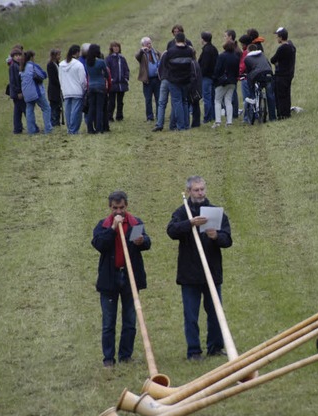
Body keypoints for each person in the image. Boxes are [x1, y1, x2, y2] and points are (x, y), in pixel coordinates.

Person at [166, 176, 233, 361]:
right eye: (196, 190)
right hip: (189, 275)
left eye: (202, 189)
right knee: (191, 316)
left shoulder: (215, 212)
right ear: (189, 191)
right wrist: (190, 224)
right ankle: (194, 351)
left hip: (212, 272)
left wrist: (216, 237)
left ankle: (215, 347)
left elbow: (228, 240)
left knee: (215, 313)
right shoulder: (181, 212)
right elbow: (171, 231)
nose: (200, 193)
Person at [92, 190, 151, 367]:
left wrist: (142, 241)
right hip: (110, 278)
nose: (119, 212)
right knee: (108, 322)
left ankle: (125, 355)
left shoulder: (135, 223)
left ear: (126, 206)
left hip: (130, 276)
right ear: (110, 207)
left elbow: (146, 243)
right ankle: (108, 358)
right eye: (115, 208)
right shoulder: (103, 225)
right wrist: (112, 229)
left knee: (130, 320)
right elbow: (99, 244)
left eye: (122, 208)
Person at [161, 32, 194, 131]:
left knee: (177, 102)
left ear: (175, 40)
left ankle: (181, 126)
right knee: (185, 101)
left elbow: (165, 65)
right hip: (186, 79)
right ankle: (186, 124)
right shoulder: (189, 51)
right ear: (184, 40)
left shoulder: (170, 52)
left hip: (174, 80)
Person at [20, 50, 52, 134]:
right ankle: (48, 129)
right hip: (36, 92)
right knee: (46, 108)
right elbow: (43, 75)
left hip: (26, 93)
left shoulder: (22, 68)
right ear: (31, 57)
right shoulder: (33, 66)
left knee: (29, 110)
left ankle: (31, 130)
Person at [58, 44, 87, 135]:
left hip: (66, 91)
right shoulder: (78, 65)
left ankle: (69, 128)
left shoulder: (61, 65)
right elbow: (82, 79)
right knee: (76, 112)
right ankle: (74, 130)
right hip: (77, 91)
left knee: (68, 111)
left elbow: (60, 78)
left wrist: (63, 88)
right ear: (77, 52)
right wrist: (84, 88)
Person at [243, 44, 276, 120]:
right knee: (270, 95)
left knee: (249, 78)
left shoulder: (247, 58)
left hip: (257, 75)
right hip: (268, 73)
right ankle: (272, 117)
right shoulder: (263, 55)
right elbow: (268, 65)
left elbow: (248, 71)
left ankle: (253, 97)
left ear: (248, 50)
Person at [212, 40, 240, 128]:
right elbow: (237, 71)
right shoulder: (236, 57)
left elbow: (217, 69)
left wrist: (215, 78)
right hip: (232, 82)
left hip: (222, 82)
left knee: (217, 101)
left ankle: (218, 121)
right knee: (228, 101)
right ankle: (229, 122)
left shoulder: (222, 56)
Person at [271, 27, 296, 119]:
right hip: (289, 74)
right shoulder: (291, 46)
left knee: (280, 95)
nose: (277, 39)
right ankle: (287, 112)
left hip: (281, 75)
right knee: (287, 94)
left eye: (277, 37)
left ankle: (282, 114)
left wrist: (277, 63)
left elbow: (273, 59)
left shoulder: (282, 48)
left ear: (281, 38)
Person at [135, 37, 160, 123]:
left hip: (157, 79)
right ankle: (150, 117)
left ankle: (159, 115)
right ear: (143, 45)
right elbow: (137, 56)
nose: (149, 45)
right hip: (147, 80)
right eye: (147, 44)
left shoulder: (155, 52)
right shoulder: (142, 54)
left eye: (150, 43)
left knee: (158, 98)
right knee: (148, 99)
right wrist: (142, 50)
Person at [85, 44, 109, 134]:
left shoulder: (87, 62)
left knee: (91, 108)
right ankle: (99, 127)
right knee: (99, 108)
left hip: (91, 86)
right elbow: (106, 74)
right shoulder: (101, 62)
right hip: (100, 86)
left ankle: (90, 128)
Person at [105, 41, 130, 122]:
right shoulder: (108, 59)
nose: (116, 48)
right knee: (111, 101)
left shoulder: (122, 58)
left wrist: (126, 78)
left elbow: (126, 69)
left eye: (117, 46)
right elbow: (107, 70)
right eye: (114, 46)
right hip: (112, 84)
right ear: (111, 48)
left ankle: (119, 116)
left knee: (120, 101)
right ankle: (109, 116)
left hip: (122, 83)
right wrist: (110, 79)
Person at [198, 31, 218, 124]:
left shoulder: (206, 50)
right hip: (213, 76)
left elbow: (205, 65)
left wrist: (200, 74)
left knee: (207, 98)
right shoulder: (214, 49)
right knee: (213, 97)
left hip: (206, 77)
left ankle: (207, 117)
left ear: (203, 39)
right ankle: (213, 115)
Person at [8, 47, 26, 134]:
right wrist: (19, 91)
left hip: (17, 92)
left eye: (19, 55)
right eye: (16, 56)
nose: (18, 57)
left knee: (18, 111)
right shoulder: (13, 66)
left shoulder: (17, 65)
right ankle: (30, 126)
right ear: (12, 57)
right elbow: (14, 81)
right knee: (24, 109)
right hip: (17, 92)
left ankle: (18, 128)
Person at [47, 48, 63, 128]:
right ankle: (53, 121)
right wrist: (60, 83)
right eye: (58, 55)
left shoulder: (58, 64)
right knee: (54, 106)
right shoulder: (50, 65)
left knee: (58, 106)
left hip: (58, 90)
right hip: (54, 89)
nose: (59, 56)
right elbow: (53, 78)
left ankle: (57, 121)